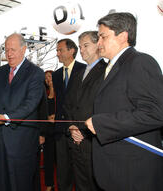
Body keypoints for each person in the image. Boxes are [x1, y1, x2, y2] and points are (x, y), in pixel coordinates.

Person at [84, 12, 163, 191]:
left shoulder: (141, 62)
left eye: (103, 36)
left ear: (123, 36)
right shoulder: (110, 68)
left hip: (133, 172)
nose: (99, 43)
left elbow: (156, 112)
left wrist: (103, 124)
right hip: (114, 169)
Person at [0, 33, 45, 191]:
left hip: (22, 142)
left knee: (22, 184)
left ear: (24, 49)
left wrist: (5, 117)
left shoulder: (36, 73)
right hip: (0, 141)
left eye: (12, 50)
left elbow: (30, 104)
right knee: (3, 183)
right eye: (6, 50)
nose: (9, 54)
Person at [63, 31, 107, 191]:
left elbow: (105, 107)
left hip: (94, 141)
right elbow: (67, 105)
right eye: (80, 46)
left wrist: (83, 131)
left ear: (98, 44)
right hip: (75, 140)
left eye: (86, 45)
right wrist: (72, 126)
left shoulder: (107, 71)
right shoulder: (77, 74)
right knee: (81, 184)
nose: (81, 50)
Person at [52, 38, 85, 191]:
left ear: (71, 51)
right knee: (63, 173)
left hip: (79, 131)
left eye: (60, 50)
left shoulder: (85, 70)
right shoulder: (56, 75)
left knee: (81, 174)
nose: (57, 53)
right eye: (57, 50)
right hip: (60, 131)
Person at [39, 70, 56, 191]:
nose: (48, 79)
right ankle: (49, 185)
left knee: (62, 161)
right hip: (48, 131)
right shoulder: (43, 94)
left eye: (49, 76)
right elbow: (40, 112)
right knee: (48, 160)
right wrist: (47, 118)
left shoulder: (61, 92)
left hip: (60, 131)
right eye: (46, 78)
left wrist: (57, 115)